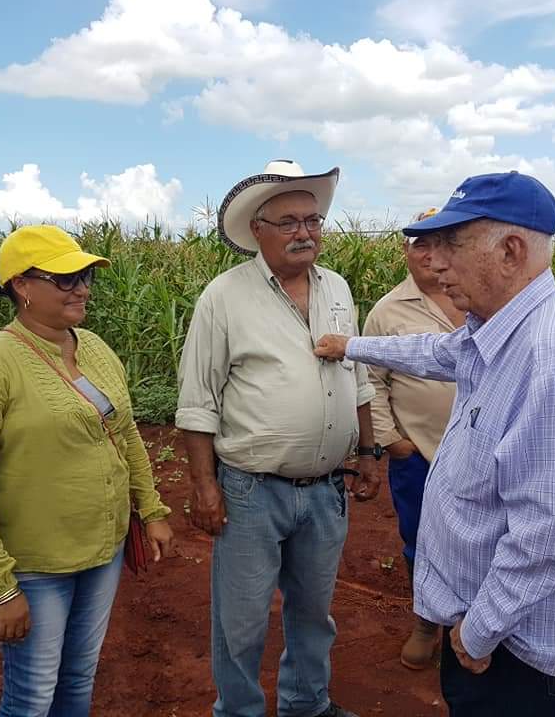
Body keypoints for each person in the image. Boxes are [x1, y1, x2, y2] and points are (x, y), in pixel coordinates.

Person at [314, 172, 555, 716]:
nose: (434, 263)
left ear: (511, 250)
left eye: (451, 245)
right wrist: (352, 346)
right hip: (485, 622)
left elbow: (550, 534)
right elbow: (434, 351)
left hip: (512, 646)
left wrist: (476, 633)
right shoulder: (497, 329)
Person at [0, 224, 173, 717]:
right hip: (36, 565)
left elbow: (126, 435)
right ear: (21, 285)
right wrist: (0, 587)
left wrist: (151, 509)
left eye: (83, 275)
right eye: (65, 279)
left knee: (78, 678)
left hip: (102, 551)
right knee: (31, 697)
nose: (81, 287)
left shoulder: (95, 349)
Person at [176, 160, 379, 717]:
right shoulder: (224, 297)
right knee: (240, 621)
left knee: (314, 613)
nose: (304, 232)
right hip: (250, 490)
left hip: (325, 488)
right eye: (288, 221)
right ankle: (238, 709)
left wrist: (367, 450)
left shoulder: (337, 288)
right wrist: (204, 486)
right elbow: (198, 401)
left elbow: (356, 375)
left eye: (312, 220)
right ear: (257, 230)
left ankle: (306, 704)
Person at [362, 207, 465, 669]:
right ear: (406, 251)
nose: (428, 253)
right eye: (418, 243)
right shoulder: (389, 310)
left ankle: (473, 624)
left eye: (439, 242)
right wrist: (392, 440)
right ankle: (427, 621)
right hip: (419, 453)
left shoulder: (479, 298)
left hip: (481, 453)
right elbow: (371, 378)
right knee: (420, 538)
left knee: (483, 537)